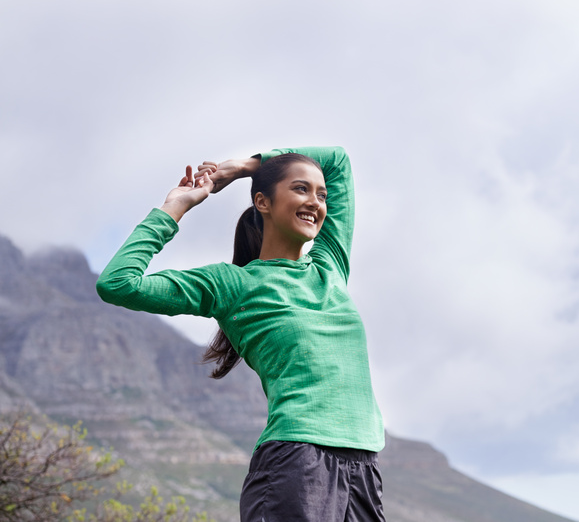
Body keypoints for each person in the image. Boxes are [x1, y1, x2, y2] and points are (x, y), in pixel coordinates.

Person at [96, 146, 385, 522]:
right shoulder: (233, 284)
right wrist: (176, 207)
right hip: (297, 463)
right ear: (262, 202)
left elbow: (338, 160)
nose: (315, 202)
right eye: (300, 189)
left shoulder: (329, 266)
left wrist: (247, 165)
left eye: (321, 194)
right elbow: (117, 283)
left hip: (363, 464)